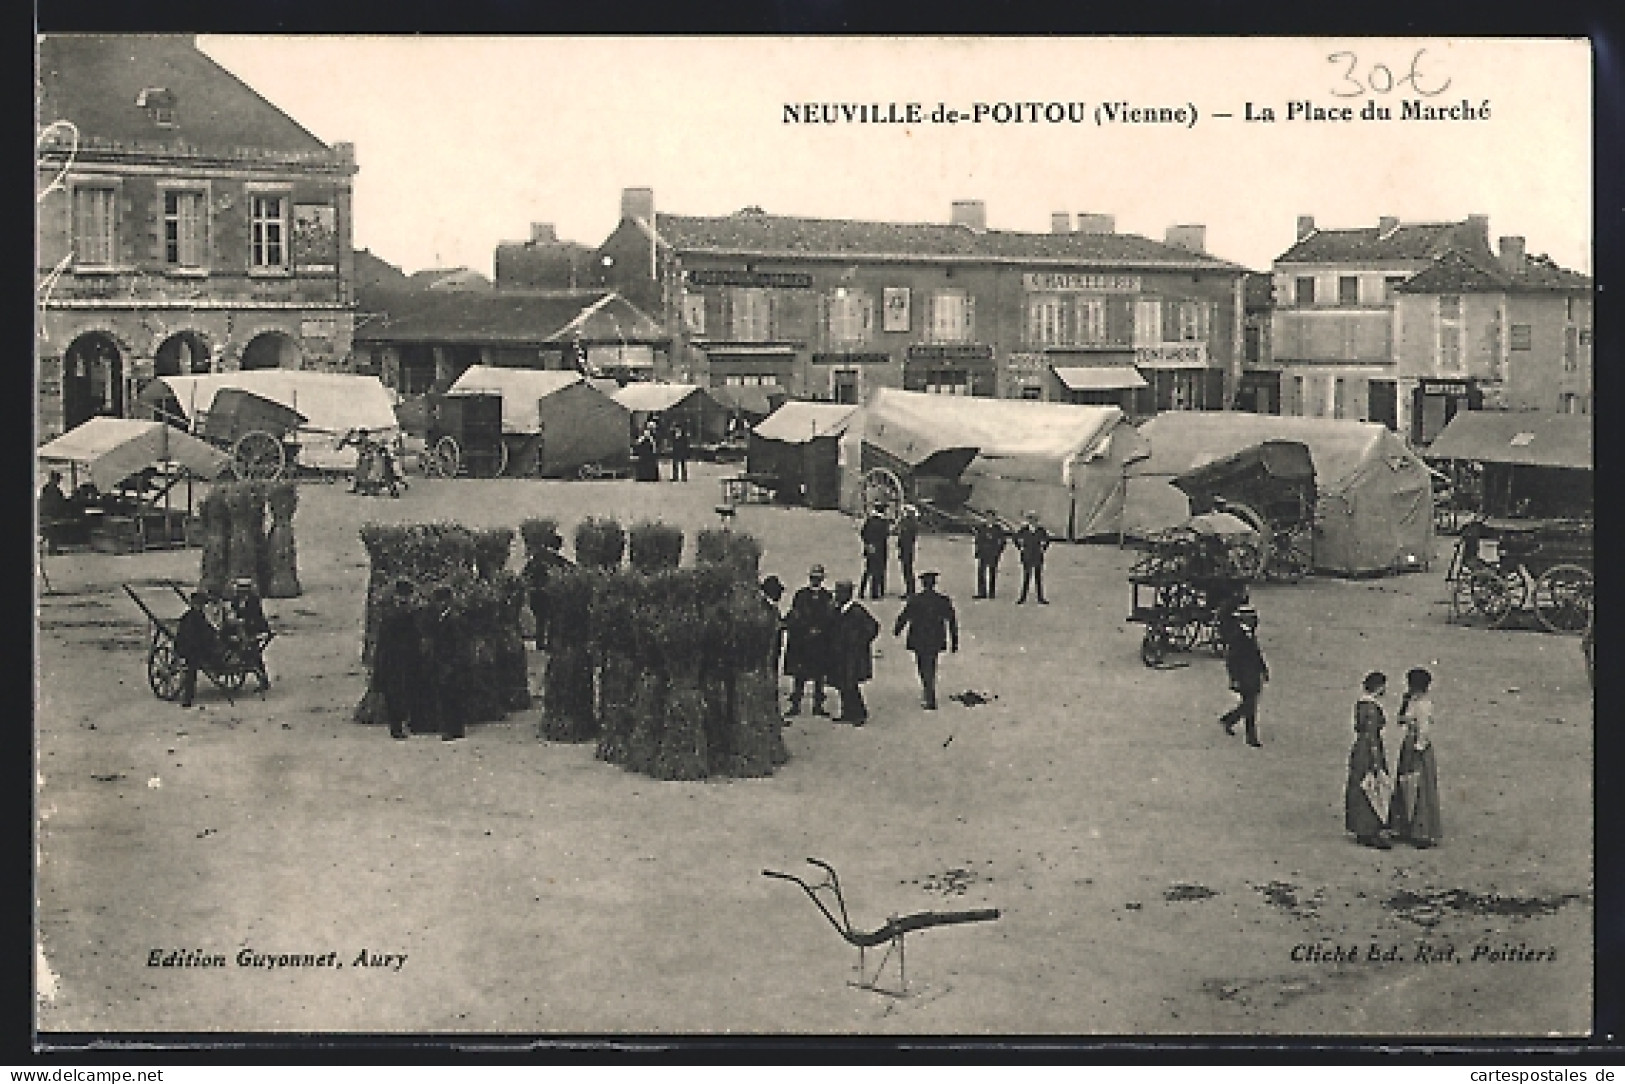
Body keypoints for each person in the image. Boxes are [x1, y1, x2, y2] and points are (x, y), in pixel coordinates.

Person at [1388, 668, 1442, 848]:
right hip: (1409, 744)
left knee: (1419, 786)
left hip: (1417, 747)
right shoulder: (1412, 701)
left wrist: (1418, 748)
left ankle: (1422, 832)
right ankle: (1404, 827)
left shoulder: (1424, 705)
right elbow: (1400, 720)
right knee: (1406, 783)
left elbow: (1424, 730)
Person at [893, 570, 958, 710]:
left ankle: (928, 691)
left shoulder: (915, 600)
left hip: (919, 637)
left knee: (922, 665)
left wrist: (897, 629)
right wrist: (954, 641)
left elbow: (904, 616)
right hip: (936, 637)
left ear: (922, 584)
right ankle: (929, 689)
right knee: (932, 664)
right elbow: (952, 621)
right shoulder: (942, 600)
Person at [374, 579, 428, 739]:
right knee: (397, 694)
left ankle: (406, 724)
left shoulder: (396, 614)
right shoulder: (400, 615)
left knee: (407, 692)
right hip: (397, 660)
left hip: (405, 659)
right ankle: (399, 726)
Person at [1345, 671, 1393, 849]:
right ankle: (1370, 830)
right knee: (1373, 785)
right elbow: (1372, 735)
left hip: (1359, 747)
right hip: (1369, 748)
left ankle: (1359, 828)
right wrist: (1376, 760)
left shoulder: (1361, 705)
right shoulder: (1373, 708)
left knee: (1359, 784)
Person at [783, 565, 835, 717]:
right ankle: (795, 704)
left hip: (820, 642)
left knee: (819, 675)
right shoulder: (801, 595)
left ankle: (818, 705)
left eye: (818, 578)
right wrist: (806, 629)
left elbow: (829, 617)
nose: (815, 581)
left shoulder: (827, 597)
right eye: (813, 578)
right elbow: (795, 614)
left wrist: (820, 630)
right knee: (800, 675)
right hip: (803, 642)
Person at [828, 580, 880, 725]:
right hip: (840, 654)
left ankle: (859, 713)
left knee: (850, 684)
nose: (836, 596)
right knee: (842, 683)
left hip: (853, 656)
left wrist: (861, 642)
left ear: (847, 594)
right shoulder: (836, 611)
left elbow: (873, 627)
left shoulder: (857, 611)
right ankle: (847, 712)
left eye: (839, 593)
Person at [1217, 605, 1268, 748]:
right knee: (1250, 705)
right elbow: (1232, 660)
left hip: (1251, 674)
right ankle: (1250, 736)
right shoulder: (1238, 637)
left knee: (1249, 704)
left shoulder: (1247, 635)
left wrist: (1263, 669)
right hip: (1245, 677)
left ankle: (1230, 721)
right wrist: (1235, 679)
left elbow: (1257, 655)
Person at [522, 532, 573, 650]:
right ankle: (550, 643)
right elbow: (570, 568)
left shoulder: (536, 558)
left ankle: (540, 643)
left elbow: (525, 573)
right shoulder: (558, 560)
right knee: (553, 618)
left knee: (541, 619)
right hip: (549, 593)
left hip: (536, 594)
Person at [173, 591, 221, 708]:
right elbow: (190, 635)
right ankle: (187, 699)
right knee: (191, 672)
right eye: (199, 604)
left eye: (201, 604)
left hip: (195, 647)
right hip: (190, 649)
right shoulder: (191, 618)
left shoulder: (197, 616)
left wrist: (215, 634)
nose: (200, 606)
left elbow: (207, 630)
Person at [226, 577, 272, 693]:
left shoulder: (253, 601)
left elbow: (257, 617)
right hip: (239, 628)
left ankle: (263, 679)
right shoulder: (235, 599)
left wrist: (246, 621)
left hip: (252, 630)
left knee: (255, 655)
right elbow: (233, 611)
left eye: (243, 589)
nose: (240, 591)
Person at [1013, 511, 1051, 604]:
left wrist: (1043, 548)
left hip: (1037, 555)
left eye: (1034, 519)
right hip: (1027, 555)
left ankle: (1040, 597)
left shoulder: (1041, 530)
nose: (1032, 521)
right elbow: (1015, 538)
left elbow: (1047, 540)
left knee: (1038, 577)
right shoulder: (1023, 530)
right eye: (1030, 519)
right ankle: (1023, 597)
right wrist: (1020, 548)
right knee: (1026, 577)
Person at [858, 505, 890, 600]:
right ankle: (877, 592)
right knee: (879, 570)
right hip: (880, 549)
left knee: (868, 570)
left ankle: (862, 591)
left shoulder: (870, 521)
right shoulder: (884, 522)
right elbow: (886, 535)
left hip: (870, 549)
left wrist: (868, 544)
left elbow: (863, 533)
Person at [759, 575, 787, 677]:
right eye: (778, 591)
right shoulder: (764, 608)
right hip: (766, 646)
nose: (780, 595)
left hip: (774, 645)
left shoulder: (774, 609)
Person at [973, 518, 1007, 600]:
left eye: (991, 517)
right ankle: (982, 592)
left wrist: (998, 551)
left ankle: (992, 592)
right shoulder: (982, 528)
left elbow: (1003, 541)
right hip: (983, 553)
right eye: (988, 517)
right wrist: (978, 551)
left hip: (993, 553)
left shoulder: (998, 529)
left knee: (992, 573)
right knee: (981, 572)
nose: (989, 519)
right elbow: (978, 540)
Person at [896, 505, 920, 597]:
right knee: (907, 570)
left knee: (907, 571)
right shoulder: (910, 523)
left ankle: (910, 591)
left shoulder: (909, 524)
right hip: (906, 549)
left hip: (907, 550)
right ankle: (909, 590)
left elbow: (905, 537)